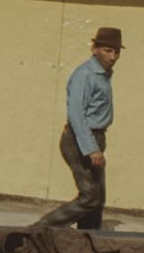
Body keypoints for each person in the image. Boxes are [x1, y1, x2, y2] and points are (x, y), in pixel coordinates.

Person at [35, 27, 124, 230]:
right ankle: (38, 230)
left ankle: (88, 242)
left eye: (116, 52)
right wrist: (91, 148)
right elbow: (76, 115)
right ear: (94, 49)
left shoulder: (102, 73)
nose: (113, 57)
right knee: (90, 197)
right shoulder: (85, 74)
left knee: (97, 200)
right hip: (79, 140)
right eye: (108, 50)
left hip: (95, 138)